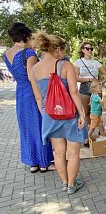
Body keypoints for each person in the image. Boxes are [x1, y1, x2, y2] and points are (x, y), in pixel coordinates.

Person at [30, 31, 87, 195]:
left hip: (50, 116)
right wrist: (81, 114)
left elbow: (38, 97)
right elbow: (74, 92)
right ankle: (72, 185)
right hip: (70, 115)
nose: (65, 53)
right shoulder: (65, 65)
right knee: (73, 152)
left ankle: (64, 182)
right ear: (56, 49)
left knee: (59, 152)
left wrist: (46, 115)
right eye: (63, 50)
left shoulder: (34, 69)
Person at [4, 22, 55, 173]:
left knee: (26, 127)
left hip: (20, 92)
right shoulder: (28, 53)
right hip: (32, 92)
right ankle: (45, 162)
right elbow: (32, 77)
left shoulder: (6, 54)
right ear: (26, 35)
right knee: (39, 126)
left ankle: (33, 163)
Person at [74, 41, 106, 128]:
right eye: (87, 48)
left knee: (98, 112)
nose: (90, 50)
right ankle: (89, 135)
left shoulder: (95, 62)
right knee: (87, 112)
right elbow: (76, 78)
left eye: (91, 49)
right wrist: (89, 79)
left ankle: (100, 134)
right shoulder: (79, 62)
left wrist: (99, 83)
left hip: (96, 88)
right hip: (84, 87)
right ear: (83, 50)